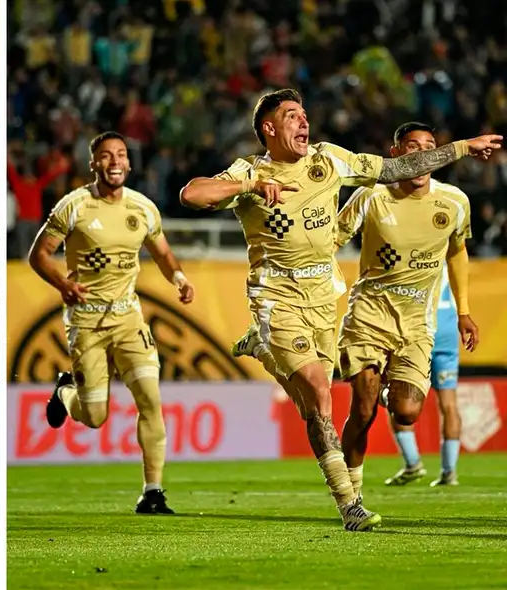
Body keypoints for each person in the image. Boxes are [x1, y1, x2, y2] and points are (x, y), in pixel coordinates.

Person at [179, 88, 499, 531]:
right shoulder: (249, 170)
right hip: (278, 297)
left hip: (324, 300)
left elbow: (396, 168)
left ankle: (263, 348)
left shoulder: (329, 159)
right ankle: (350, 504)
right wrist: (250, 187)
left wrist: (462, 147)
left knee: (313, 405)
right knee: (320, 393)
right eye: (291, 116)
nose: (303, 121)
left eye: (304, 114)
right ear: (268, 128)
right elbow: (192, 194)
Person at [28, 131, 195, 515]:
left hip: (128, 318)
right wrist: (64, 285)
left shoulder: (143, 208)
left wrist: (179, 278)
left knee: (150, 399)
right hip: (86, 322)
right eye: (106, 155)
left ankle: (152, 492)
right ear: (94, 164)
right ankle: (65, 392)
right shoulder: (74, 206)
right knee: (95, 416)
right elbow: (39, 255)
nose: (115, 161)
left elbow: (163, 253)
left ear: (129, 163)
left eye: (121, 154)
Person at [334, 121, 476, 503]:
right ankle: (350, 498)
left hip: (417, 323)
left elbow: (457, 252)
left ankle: (388, 392)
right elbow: (330, 240)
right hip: (369, 315)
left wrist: (463, 311)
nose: (423, 154)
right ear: (396, 154)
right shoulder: (371, 196)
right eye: (413, 147)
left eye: (430, 147)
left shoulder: (454, 202)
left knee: (407, 411)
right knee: (362, 409)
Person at [384, 266, 464, 487]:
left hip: (419, 330)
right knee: (449, 404)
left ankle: (412, 464)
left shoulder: (414, 256)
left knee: (397, 395)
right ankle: (449, 472)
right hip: (447, 330)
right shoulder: (450, 258)